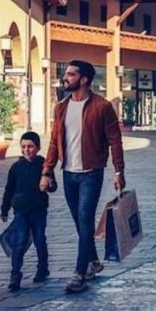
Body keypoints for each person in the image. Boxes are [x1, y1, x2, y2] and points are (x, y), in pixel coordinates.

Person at [40, 60, 125, 294]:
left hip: (91, 173)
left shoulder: (102, 107)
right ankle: (94, 262)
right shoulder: (61, 107)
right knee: (80, 222)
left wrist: (119, 171)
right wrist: (47, 170)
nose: (65, 78)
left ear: (84, 79)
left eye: (70, 74)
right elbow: (55, 142)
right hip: (68, 173)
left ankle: (79, 274)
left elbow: (115, 140)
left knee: (85, 219)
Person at [1, 132, 56, 291]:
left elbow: (53, 187)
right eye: (24, 147)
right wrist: (5, 208)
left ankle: (42, 268)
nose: (27, 150)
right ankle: (15, 274)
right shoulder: (16, 167)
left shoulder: (44, 165)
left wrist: (50, 184)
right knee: (20, 242)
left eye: (30, 147)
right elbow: (9, 189)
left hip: (38, 209)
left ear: (38, 148)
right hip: (21, 210)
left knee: (40, 239)